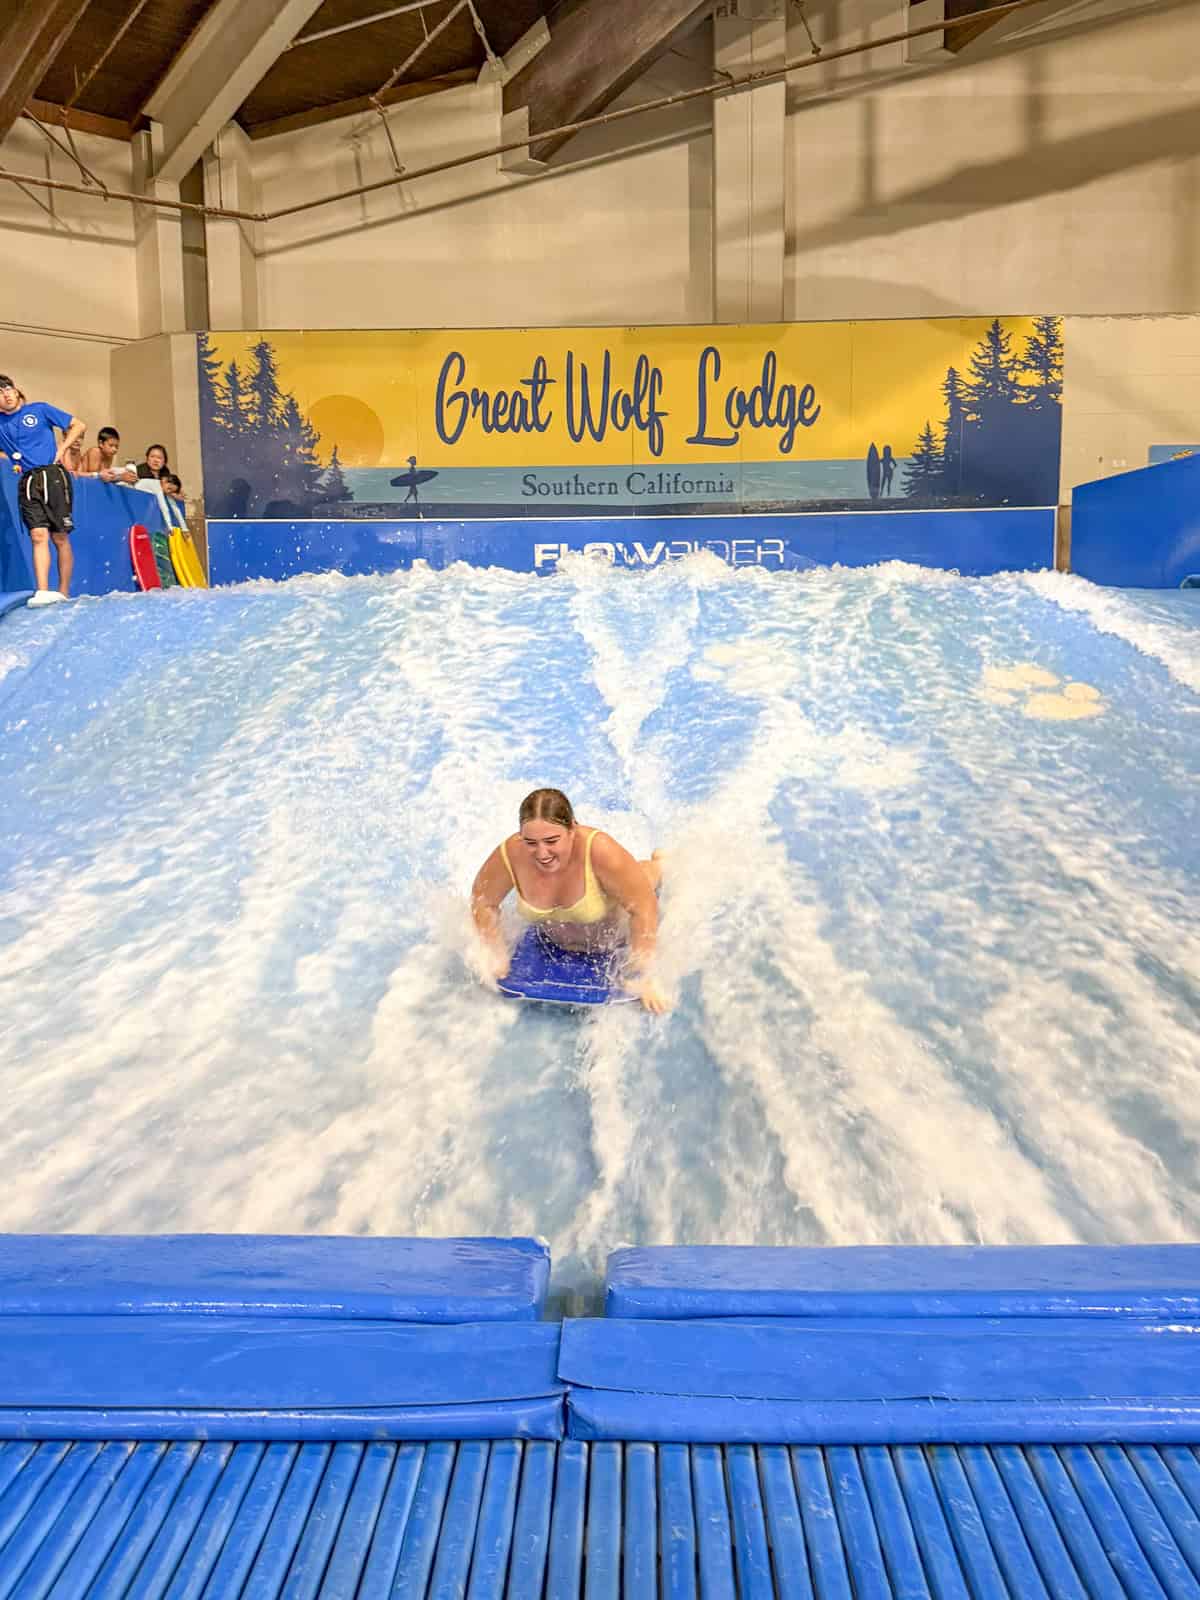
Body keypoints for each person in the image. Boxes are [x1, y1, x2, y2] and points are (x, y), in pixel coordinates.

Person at [471, 787, 669, 1013]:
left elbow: (644, 908)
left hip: (615, 938)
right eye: (531, 842)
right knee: (628, 880)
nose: (542, 853)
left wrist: (644, 974)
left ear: (573, 829)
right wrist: (495, 954)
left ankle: (660, 865)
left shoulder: (599, 850)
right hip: (555, 944)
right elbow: (483, 901)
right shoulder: (511, 854)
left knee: (642, 880)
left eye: (552, 840)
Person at [0, 374, 85, 605]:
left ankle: (64, 592)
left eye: (8, 388)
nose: (5, 393)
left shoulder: (40, 409)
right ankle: (43, 591)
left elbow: (78, 425)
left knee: (60, 537)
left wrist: (63, 448)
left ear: (17, 391)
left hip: (53, 475)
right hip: (28, 481)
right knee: (38, 535)